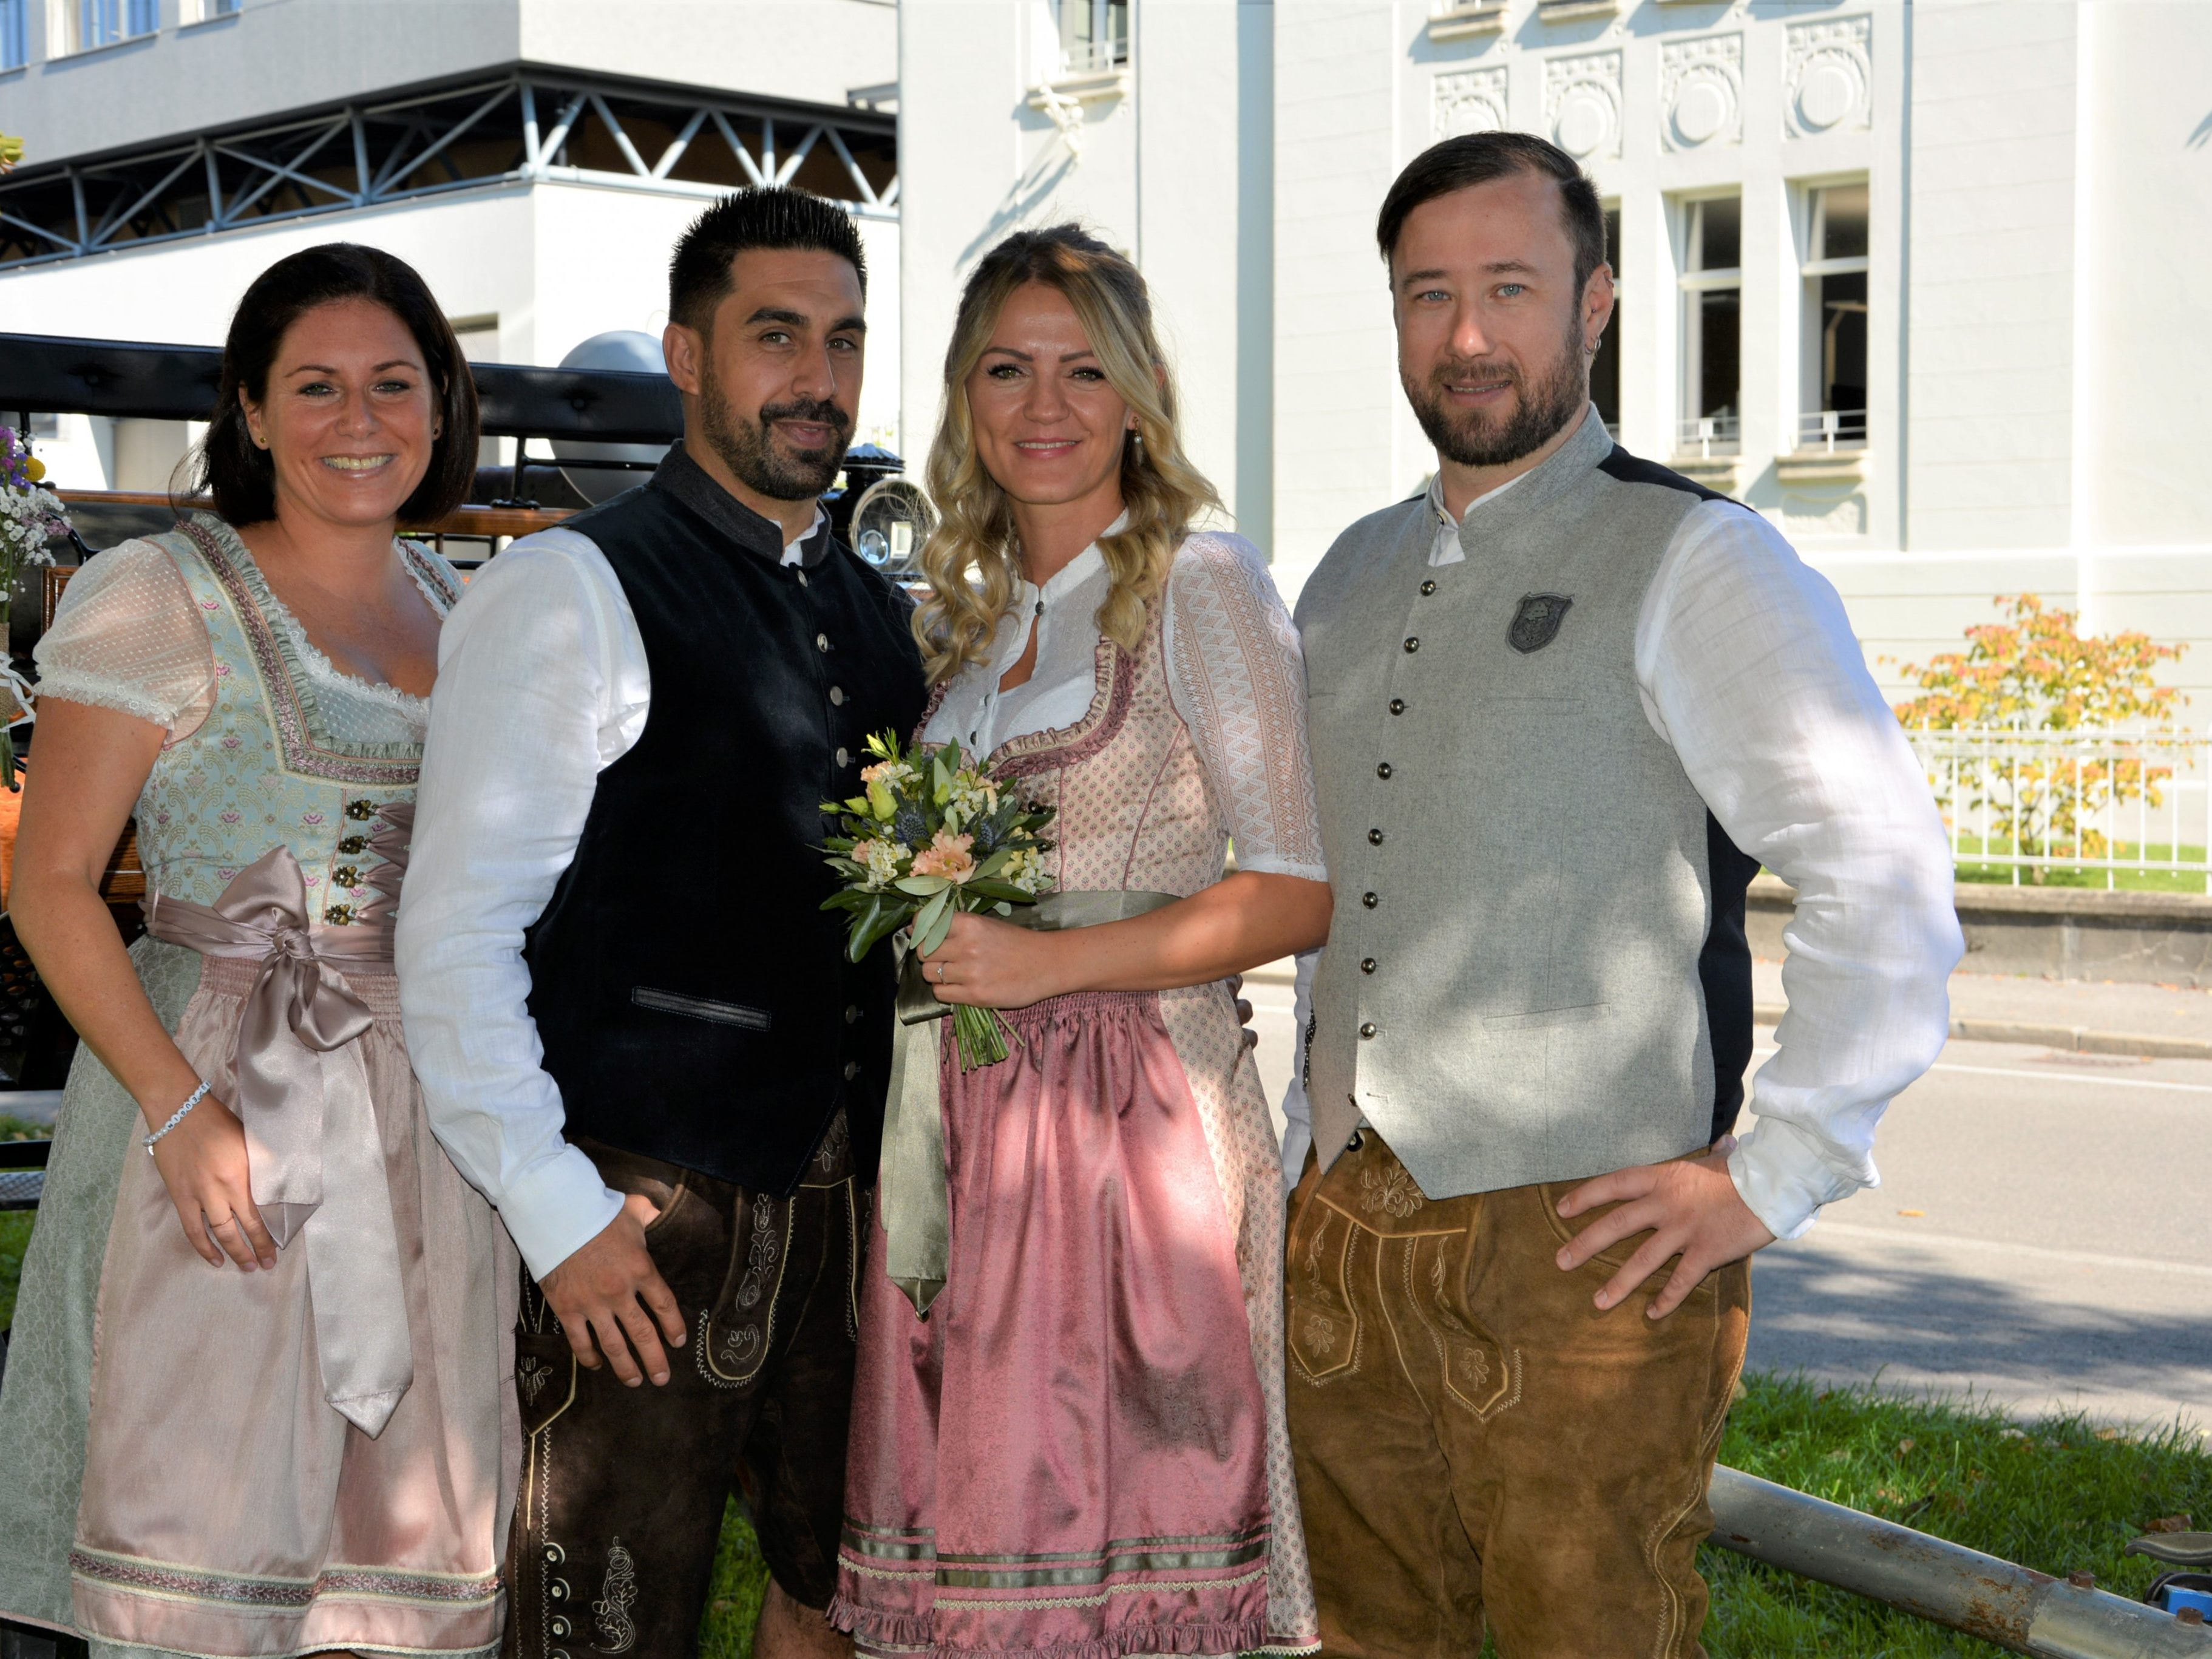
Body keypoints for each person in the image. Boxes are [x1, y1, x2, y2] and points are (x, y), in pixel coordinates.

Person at [1280, 132, 1963, 1659]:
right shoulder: (1339, 574)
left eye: (1509, 286)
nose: (1466, 333)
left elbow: (1884, 872)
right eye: (1427, 293)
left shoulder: (1701, 557)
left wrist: (1771, 1170)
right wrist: (1297, 1171)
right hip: (1341, 1232)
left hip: (1583, 1250)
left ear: (1592, 305)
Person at [395, 186, 922, 1659]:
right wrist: (558, 1217)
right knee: (606, 1629)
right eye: (774, 336)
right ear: (688, 356)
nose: (815, 377)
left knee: (837, 1606)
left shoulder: (881, 619)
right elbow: (452, 940)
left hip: (850, 1214)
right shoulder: (571, 585)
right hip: (639, 1220)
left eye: (842, 340)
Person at [0, 243, 514, 1658]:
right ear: (252, 408)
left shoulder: (465, 607)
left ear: (441, 397)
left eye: (393, 383)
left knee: (385, 1571)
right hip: (215, 1096)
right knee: (202, 1552)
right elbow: (49, 883)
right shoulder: (161, 593)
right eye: (318, 385)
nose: (361, 419)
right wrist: (176, 1107)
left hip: (417, 1122)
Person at [831, 224, 1331, 1659]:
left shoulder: (1199, 584)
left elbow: (1293, 890)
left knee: (1122, 1544)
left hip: (1135, 1139)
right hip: (971, 1127)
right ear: (963, 397)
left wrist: (1050, 960)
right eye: (1007, 368)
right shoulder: (970, 624)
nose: (1043, 406)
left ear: (1137, 394)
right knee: (983, 1542)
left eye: (1082, 369)